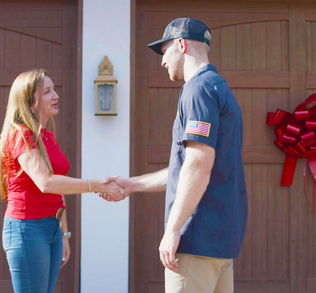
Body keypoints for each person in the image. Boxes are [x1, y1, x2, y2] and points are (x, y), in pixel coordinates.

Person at [102, 18, 248, 293]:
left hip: (195, 239)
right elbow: (188, 168)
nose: (162, 61)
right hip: (220, 241)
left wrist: (173, 229)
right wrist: (132, 184)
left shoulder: (197, 90)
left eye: (165, 50)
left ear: (181, 44)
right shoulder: (219, 88)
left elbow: (197, 165)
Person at [0, 69, 128, 293]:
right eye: (47, 91)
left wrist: (64, 234)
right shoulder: (22, 134)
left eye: (54, 89)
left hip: (52, 228)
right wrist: (94, 185)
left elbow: (57, 188)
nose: (55, 95)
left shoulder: (47, 136)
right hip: (27, 228)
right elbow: (45, 183)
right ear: (30, 101)